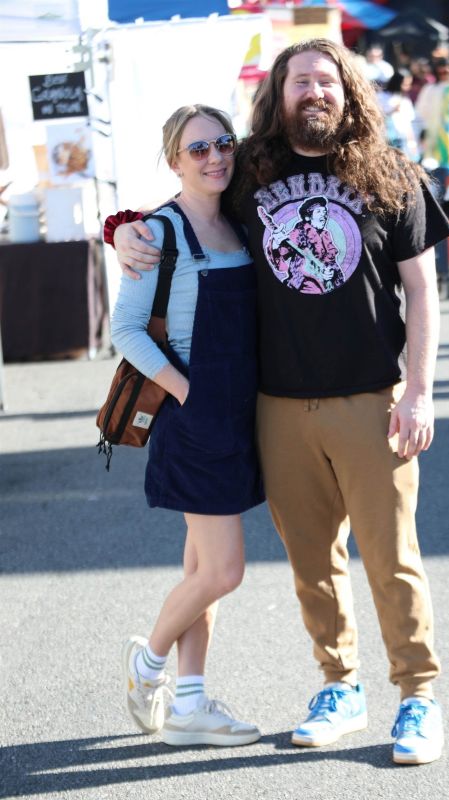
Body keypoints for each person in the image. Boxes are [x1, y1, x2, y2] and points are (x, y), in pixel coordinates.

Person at [109, 38, 449, 765]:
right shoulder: (249, 175)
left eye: (327, 80)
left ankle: (418, 696)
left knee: (392, 557)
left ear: (347, 90)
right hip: (276, 406)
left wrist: (419, 391)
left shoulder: (392, 174)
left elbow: (423, 291)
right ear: (280, 94)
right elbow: (182, 206)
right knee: (312, 563)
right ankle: (340, 685)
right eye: (302, 82)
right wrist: (121, 232)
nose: (315, 92)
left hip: (370, 398)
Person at [110, 104, 264, 748]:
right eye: (197, 150)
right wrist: (189, 393)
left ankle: (191, 702)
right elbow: (124, 330)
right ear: (174, 160)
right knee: (223, 572)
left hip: (241, 411)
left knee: (202, 568)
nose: (214, 158)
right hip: (195, 415)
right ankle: (147, 668)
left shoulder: (239, 221)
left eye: (223, 144)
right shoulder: (157, 232)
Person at [377, 69, 418, 160]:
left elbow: (409, 123)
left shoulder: (405, 99)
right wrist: (392, 110)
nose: (407, 87)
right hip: (386, 139)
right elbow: (376, 116)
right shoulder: (381, 96)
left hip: (402, 139)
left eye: (409, 84)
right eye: (405, 84)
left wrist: (412, 142)